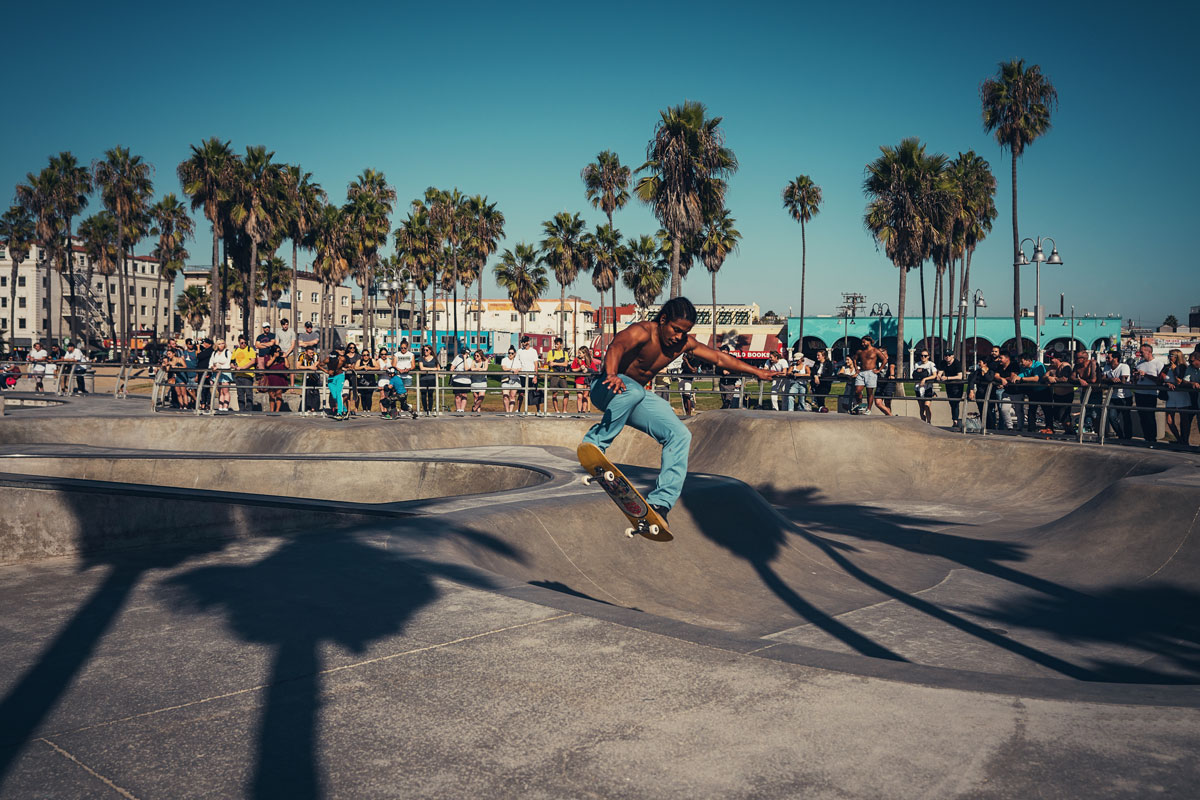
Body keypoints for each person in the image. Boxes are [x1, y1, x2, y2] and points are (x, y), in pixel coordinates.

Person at [582, 296, 773, 522]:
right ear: (663, 320)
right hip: (606, 386)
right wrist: (612, 373)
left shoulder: (684, 343)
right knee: (634, 391)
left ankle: (661, 503)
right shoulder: (642, 331)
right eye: (675, 330)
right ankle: (595, 444)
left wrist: (757, 372)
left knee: (680, 434)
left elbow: (719, 358)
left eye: (685, 332)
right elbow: (617, 346)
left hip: (633, 397)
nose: (679, 337)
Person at [1133, 343, 1166, 443]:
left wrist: (1146, 375)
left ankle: (1152, 438)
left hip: (1150, 394)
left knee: (1150, 416)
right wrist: (1135, 376)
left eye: (1142, 352)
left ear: (1149, 352)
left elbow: (1160, 380)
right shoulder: (1139, 364)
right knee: (1142, 416)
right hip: (1139, 393)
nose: (1140, 354)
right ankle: (1147, 437)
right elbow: (1135, 381)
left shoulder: (1158, 364)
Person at [1099, 348, 1133, 440]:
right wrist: (1111, 380)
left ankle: (1128, 437)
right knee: (1111, 417)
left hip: (1125, 397)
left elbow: (1123, 381)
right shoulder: (1107, 367)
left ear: (1115, 359)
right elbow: (1102, 379)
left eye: (1108, 358)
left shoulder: (1124, 367)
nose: (1106, 360)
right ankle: (1120, 435)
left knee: (1126, 417)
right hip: (1113, 397)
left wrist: (1113, 381)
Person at [1162, 349, 1190, 444]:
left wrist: (1174, 370)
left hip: (1181, 395)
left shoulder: (1183, 367)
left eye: (1172, 355)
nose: (1170, 358)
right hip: (1170, 396)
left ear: (1177, 356)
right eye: (1169, 355)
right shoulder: (1166, 367)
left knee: (1184, 420)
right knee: (1169, 420)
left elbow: (1179, 381)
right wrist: (1167, 384)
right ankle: (1179, 439)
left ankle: (1185, 440)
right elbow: (1161, 380)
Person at [851, 335, 884, 414]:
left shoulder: (875, 351)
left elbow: (884, 360)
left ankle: (869, 409)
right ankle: (859, 404)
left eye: (864, 342)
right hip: (861, 372)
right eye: (862, 342)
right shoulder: (860, 351)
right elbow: (854, 359)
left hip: (871, 373)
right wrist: (856, 369)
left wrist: (879, 370)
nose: (863, 344)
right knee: (857, 390)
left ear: (869, 341)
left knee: (869, 392)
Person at [545, 336, 571, 413]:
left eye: (557, 344)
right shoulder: (551, 352)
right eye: (555, 344)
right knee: (554, 394)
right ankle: (557, 410)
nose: (555, 346)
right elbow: (550, 364)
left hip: (563, 376)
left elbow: (566, 364)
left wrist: (555, 363)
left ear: (561, 345)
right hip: (554, 376)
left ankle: (564, 410)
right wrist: (560, 363)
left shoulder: (565, 353)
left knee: (566, 392)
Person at [320, 348, 348, 419]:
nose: (333, 362)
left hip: (340, 376)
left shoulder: (342, 359)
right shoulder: (327, 359)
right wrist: (326, 371)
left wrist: (347, 367)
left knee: (339, 393)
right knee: (334, 396)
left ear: (338, 358)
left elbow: (346, 365)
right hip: (331, 378)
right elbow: (319, 365)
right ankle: (345, 410)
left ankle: (339, 412)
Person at [911, 349, 938, 424]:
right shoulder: (917, 364)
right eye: (922, 355)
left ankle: (929, 422)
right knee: (921, 408)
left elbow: (934, 375)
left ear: (928, 356)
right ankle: (923, 423)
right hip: (918, 388)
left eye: (925, 356)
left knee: (927, 406)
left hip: (928, 388)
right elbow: (913, 375)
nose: (923, 357)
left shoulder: (931, 364)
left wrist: (925, 379)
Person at [571, 346, 600, 413]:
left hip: (587, 381)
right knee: (579, 396)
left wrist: (587, 370)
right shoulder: (576, 360)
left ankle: (583, 410)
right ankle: (579, 411)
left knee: (585, 396)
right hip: (579, 380)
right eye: (578, 353)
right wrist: (579, 369)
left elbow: (594, 370)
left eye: (580, 353)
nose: (579, 354)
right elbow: (573, 369)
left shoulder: (590, 361)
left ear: (584, 353)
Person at [231, 335, 257, 412]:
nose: (244, 344)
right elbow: (232, 361)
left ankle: (249, 410)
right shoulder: (236, 350)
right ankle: (241, 410)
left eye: (245, 342)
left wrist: (243, 368)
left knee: (248, 393)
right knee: (240, 394)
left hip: (248, 375)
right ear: (239, 342)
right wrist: (234, 366)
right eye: (242, 342)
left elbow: (253, 361)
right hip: (238, 375)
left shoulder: (250, 349)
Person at [393, 339, 417, 418]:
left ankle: (403, 408)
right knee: (398, 393)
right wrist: (398, 369)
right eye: (402, 348)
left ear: (407, 348)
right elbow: (394, 364)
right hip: (399, 376)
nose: (403, 349)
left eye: (404, 348)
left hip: (407, 376)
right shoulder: (397, 354)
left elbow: (413, 365)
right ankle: (397, 410)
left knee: (404, 394)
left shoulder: (411, 355)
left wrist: (408, 369)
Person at [938, 351, 964, 426]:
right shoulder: (943, 362)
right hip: (949, 385)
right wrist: (939, 376)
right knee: (951, 402)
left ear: (952, 356)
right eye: (946, 355)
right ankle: (954, 420)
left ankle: (955, 421)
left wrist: (947, 378)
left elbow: (960, 376)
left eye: (949, 355)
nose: (947, 357)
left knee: (955, 403)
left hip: (957, 385)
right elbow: (940, 372)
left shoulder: (957, 363)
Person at [515, 336, 540, 412]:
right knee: (521, 393)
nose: (523, 343)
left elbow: (536, 365)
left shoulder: (533, 351)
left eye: (525, 342)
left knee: (534, 393)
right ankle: (518, 409)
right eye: (522, 342)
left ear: (528, 342)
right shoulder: (519, 351)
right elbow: (517, 362)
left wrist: (535, 376)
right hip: (522, 375)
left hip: (531, 375)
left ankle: (538, 409)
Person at [263, 345, 289, 412]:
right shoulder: (268, 357)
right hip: (271, 378)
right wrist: (274, 357)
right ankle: (271, 411)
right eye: (277, 351)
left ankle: (277, 410)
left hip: (280, 378)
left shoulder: (281, 358)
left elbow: (287, 366)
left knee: (279, 394)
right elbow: (267, 365)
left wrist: (285, 357)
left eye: (279, 351)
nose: (279, 352)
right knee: (271, 395)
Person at [210, 339, 233, 412]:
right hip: (216, 373)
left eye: (223, 343)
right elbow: (211, 362)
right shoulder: (214, 353)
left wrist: (219, 367)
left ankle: (225, 407)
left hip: (225, 373)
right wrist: (212, 367)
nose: (221, 345)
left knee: (225, 391)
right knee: (220, 391)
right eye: (219, 344)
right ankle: (220, 406)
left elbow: (228, 363)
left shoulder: (227, 352)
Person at [415, 344, 438, 415]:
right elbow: (422, 368)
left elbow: (438, 368)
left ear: (430, 351)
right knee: (423, 394)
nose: (425, 351)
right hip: (423, 379)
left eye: (427, 350)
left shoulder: (434, 359)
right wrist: (432, 369)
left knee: (430, 394)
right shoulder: (421, 358)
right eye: (424, 350)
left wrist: (434, 370)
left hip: (432, 379)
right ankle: (425, 409)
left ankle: (430, 410)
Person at [450, 346, 472, 412]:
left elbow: (466, 369)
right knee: (457, 396)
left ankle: (462, 409)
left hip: (466, 380)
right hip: (457, 379)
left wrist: (465, 358)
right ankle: (458, 409)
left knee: (464, 395)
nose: (463, 354)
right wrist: (452, 370)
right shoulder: (458, 357)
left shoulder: (470, 360)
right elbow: (452, 367)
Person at [500, 345, 521, 413]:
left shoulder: (517, 361)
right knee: (505, 396)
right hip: (506, 380)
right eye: (509, 353)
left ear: (514, 354)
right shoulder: (504, 360)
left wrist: (517, 370)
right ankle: (507, 411)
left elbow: (520, 368)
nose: (510, 354)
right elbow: (504, 368)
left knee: (513, 396)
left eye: (512, 353)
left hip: (515, 380)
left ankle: (511, 411)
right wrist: (511, 369)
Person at [873, 350, 895, 416]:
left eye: (881, 352)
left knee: (887, 402)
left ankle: (888, 417)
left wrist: (892, 375)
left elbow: (892, 367)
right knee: (877, 402)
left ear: (885, 352)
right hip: (880, 383)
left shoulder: (890, 359)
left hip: (888, 382)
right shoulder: (877, 360)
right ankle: (891, 415)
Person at [679, 350, 700, 416]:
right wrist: (684, 362)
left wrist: (687, 362)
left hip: (689, 379)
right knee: (683, 396)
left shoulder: (695, 360)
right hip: (682, 377)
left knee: (687, 395)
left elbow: (694, 370)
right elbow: (682, 367)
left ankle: (689, 413)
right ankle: (685, 411)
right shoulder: (686, 359)